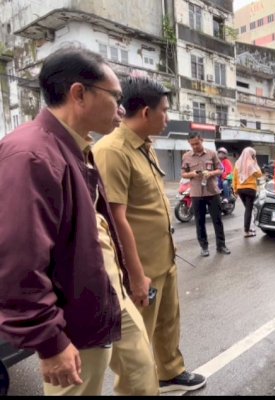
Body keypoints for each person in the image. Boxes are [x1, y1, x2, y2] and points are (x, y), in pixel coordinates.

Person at [0, 46, 158, 396]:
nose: (120, 109)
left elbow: (97, 227)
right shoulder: (31, 155)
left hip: (106, 295)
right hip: (73, 311)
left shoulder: (75, 146)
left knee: (142, 375)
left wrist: (131, 277)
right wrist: (50, 342)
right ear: (79, 94)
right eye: (114, 96)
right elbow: (18, 263)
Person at [93, 76, 206, 393]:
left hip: (163, 259)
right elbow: (115, 219)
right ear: (145, 112)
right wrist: (136, 275)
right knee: (136, 345)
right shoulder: (112, 151)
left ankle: (170, 371)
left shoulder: (145, 147)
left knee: (169, 323)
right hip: (139, 268)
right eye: (165, 111)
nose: (167, 117)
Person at [181, 134, 231, 257]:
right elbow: (183, 174)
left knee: (217, 220)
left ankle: (221, 245)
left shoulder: (212, 154)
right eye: (192, 144)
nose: (195, 146)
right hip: (196, 193)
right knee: (199, 221)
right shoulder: (186, 156)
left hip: (212, 191)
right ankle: (204, 247)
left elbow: (220, 170)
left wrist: (210, 173)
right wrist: (192, 173)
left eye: (197, 143)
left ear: (202, 140)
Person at [232, 147, 263, 237]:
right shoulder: (251, 164)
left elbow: (234, 177)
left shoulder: (238, 163)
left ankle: (248, 228)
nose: (254, 156)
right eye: (253, 155)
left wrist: (235, 189)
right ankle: (247, 231)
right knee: (249, 210)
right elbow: (259, 174)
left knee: (247, 209)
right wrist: (255, 163)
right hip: (250, 189)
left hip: (240, 189)